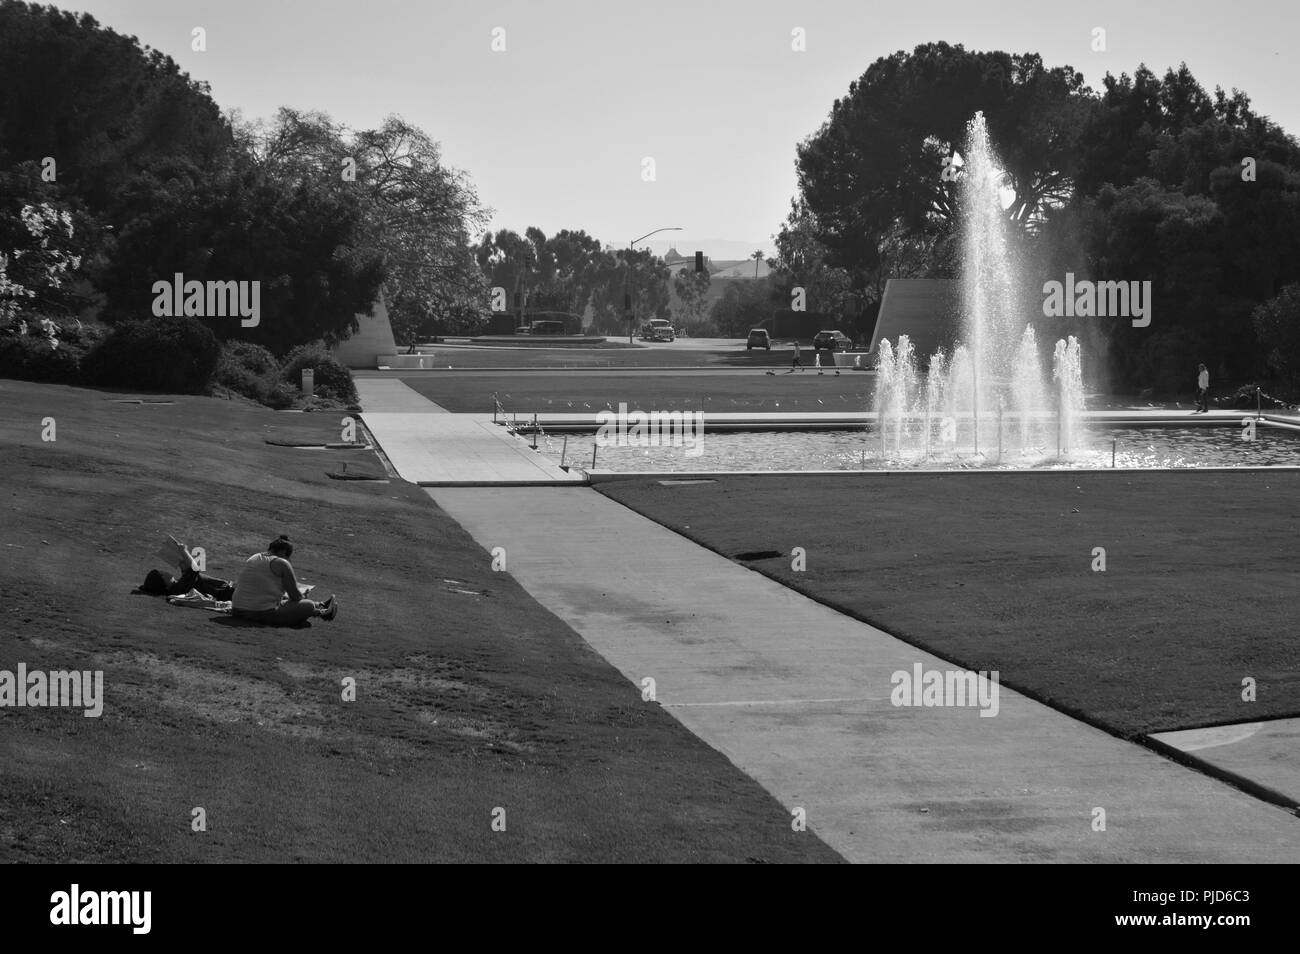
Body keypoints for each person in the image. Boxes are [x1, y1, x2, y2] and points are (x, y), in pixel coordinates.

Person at [232, 535, 337, 625]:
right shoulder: (281, 563)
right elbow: (295, 597)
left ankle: (320, 605)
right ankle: (321, 613)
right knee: (308, 605)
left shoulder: (254, 557)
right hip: (259, 613)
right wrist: (303, 596)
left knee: (286, 600)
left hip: (237, 609)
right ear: (283, 552)